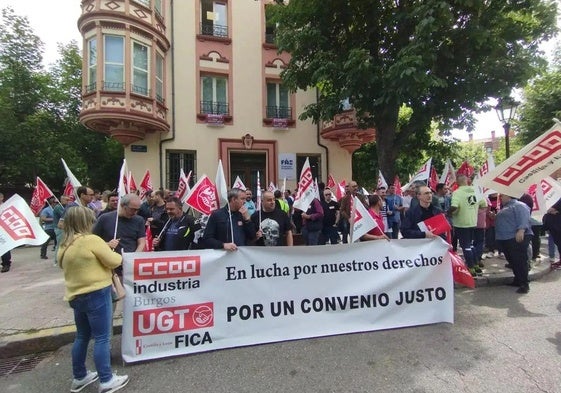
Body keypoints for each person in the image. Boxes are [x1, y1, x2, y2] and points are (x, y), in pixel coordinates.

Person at [57, 206, 129, 393]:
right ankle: (106, 380)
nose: (93, 222)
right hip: (97, 292)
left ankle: (79, 376)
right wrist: (110, 250)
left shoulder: (65, 243)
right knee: (102, 337)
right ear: (84, 222)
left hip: (75, 294)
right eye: (90, 220)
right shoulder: (91, 240)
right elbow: (115, 261)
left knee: (82, 336)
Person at [93, 194, 146, 278]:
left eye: (137, 210)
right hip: (109, 266)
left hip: (130, 266)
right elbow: (92, 240)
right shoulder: (104, 218)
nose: (135, 213)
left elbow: (142, 241)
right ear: (122, 206)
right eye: (132, 209)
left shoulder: (139, 220)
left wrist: (134, 257)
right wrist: (107, 244)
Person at [448, 174, 487, 277]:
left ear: (457, 183)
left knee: (466, 246)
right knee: (471, 245)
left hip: (461, 223)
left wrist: (448, 213)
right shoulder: (476, 191)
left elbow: (454, 206)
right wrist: (473, 210)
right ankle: (476, 265)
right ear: (467, 181)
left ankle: (471, 267)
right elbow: (484, 205)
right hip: (473, 222)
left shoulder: (457, 193)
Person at [495, 193, 533, 294]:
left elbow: (524, 217)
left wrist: (521, 230)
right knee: (512, 260)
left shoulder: (519, 205)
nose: (501, 198)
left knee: (519, 260)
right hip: (506, 238)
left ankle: (524, 284)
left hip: (515, 237)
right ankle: (518, 280)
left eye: (502, 196)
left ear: (508, 196)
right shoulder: (506, 207)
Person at [0, 192, 11, 273]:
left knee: (5, 246)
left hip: (4, 230)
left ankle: (6, 264)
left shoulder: (6, 207)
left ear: (2, 197)